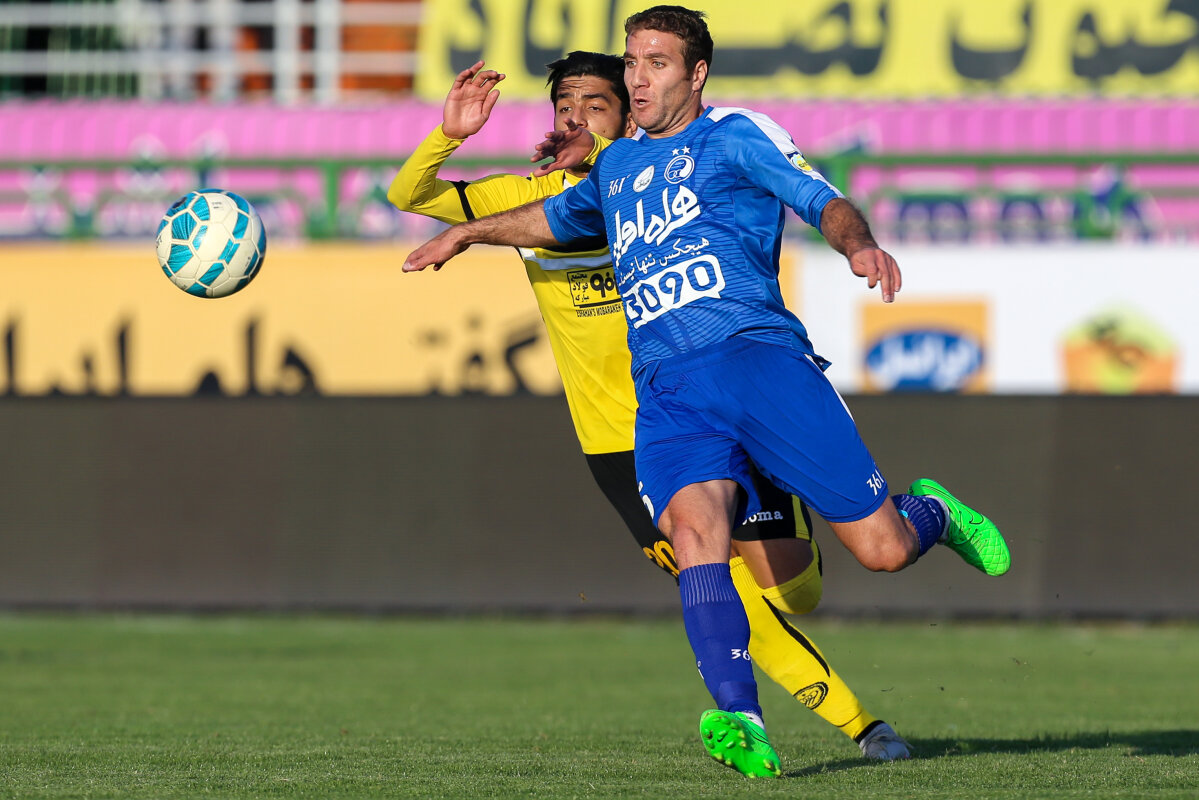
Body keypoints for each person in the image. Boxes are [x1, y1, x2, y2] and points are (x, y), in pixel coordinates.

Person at [402, 8, 1012, 777]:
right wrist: (467, 232)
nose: (638, 77)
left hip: (760, 365)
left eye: (655, 63)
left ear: (695, 74)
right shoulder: (617, 169)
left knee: (881, 551)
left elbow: (817, 197)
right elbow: (554, 217)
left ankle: (932, 513)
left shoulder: (734, 135)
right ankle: (740, 718)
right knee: (696, 540)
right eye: (632, 61)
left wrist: (858, 244)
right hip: (667, 389)